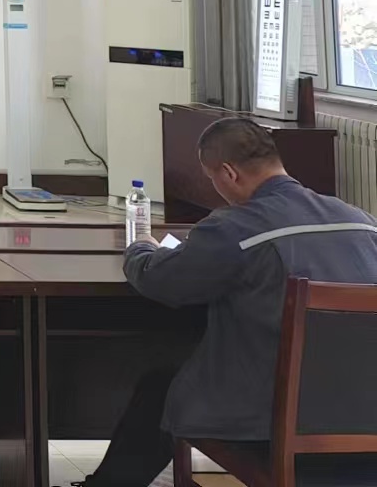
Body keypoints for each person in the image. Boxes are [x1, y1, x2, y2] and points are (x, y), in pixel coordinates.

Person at [76, 116, 377, 487]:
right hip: (365, 419)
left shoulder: (236, 228)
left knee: (163, 386)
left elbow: (163, 281)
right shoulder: (363, 223)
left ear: (229, 173)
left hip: (272, 424)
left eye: (211, 178)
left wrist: (140, 248)